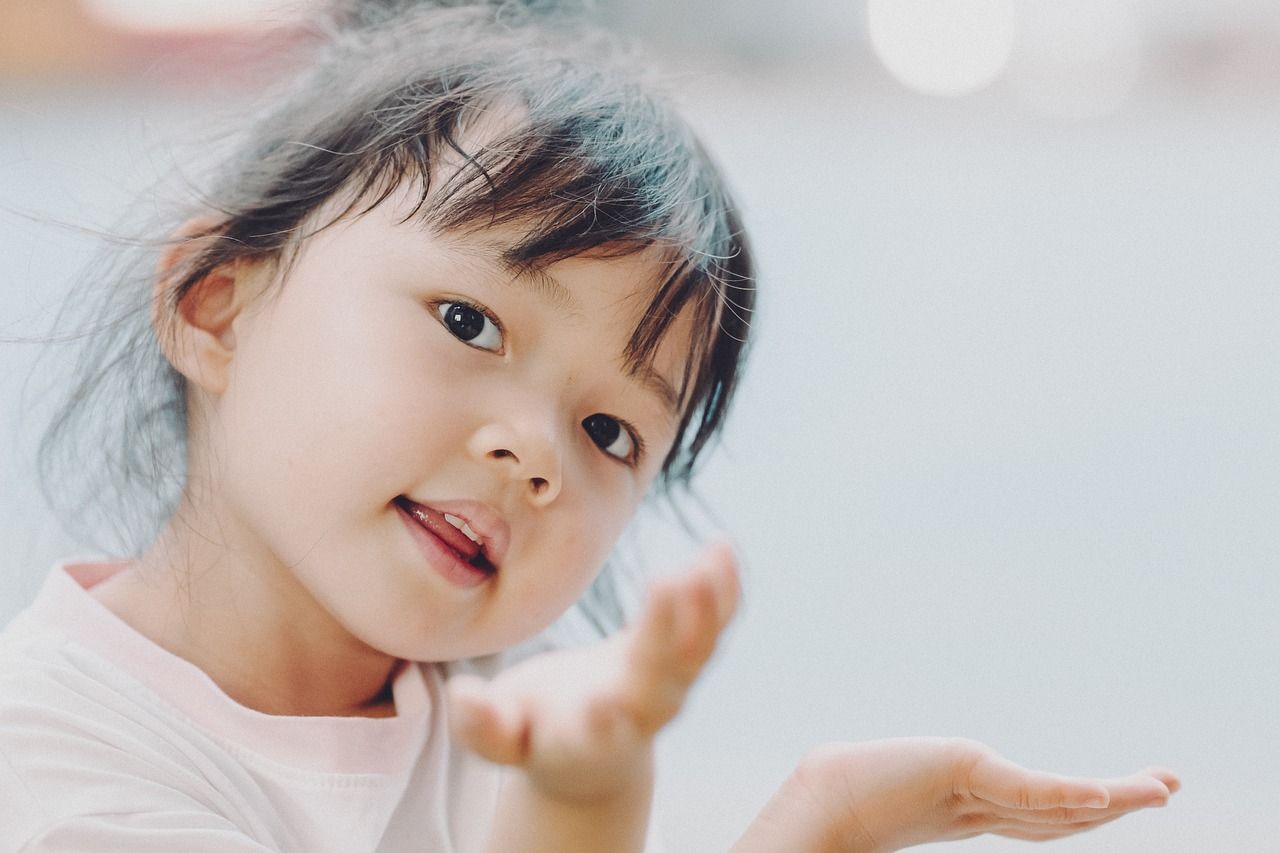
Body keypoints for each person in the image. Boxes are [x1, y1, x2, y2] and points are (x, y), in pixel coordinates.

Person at [0, 2, 1179, 851]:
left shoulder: (506, 702)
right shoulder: (49, 767)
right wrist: (582, 800)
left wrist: (816, 825)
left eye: (613, 432)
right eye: (468, 320)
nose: (535, 453)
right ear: (217, 305)